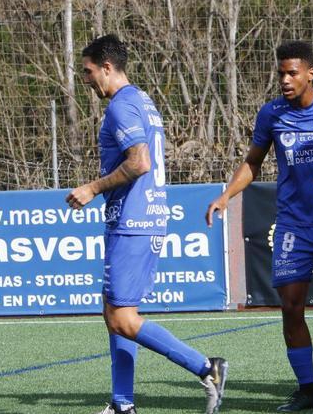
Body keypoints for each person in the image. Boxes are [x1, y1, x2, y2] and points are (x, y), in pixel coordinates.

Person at [205, 41, 313, 411]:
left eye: (292, 73)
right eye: (281, 72)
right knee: (291, 306)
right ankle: (307, 390)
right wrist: (226, 196)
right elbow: (252, 162)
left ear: (310, 73)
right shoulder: (271, 114)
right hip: (293, 227)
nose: (284, 79)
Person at [67, 34, 227, 414]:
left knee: (122, 317)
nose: (86, 80)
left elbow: (140, 163)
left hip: (133, 221)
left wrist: (92, 187)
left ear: (107, 67)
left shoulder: (121, 107)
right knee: (114, 313)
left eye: (89, 72)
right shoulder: (143, 100)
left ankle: (207, 368)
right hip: (143, 216)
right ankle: (122, 403)